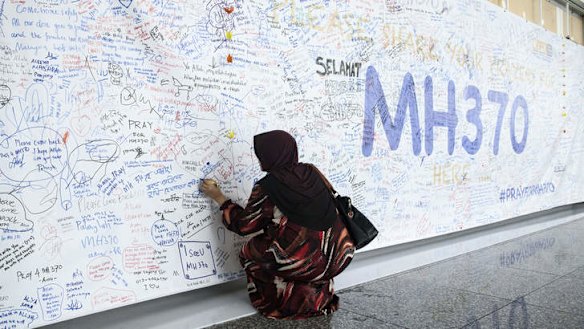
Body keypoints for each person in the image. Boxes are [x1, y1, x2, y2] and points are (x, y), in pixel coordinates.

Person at [200, 130, 355, 320]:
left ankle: (279, 302)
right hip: (341, 256)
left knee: (251, 251)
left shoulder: (269, 186)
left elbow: (244, 226)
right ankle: (318, 298)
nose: (258, 160)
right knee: (306, 244)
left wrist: (219, 198)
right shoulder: (312, 171)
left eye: (260, 156)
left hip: (305, 263)